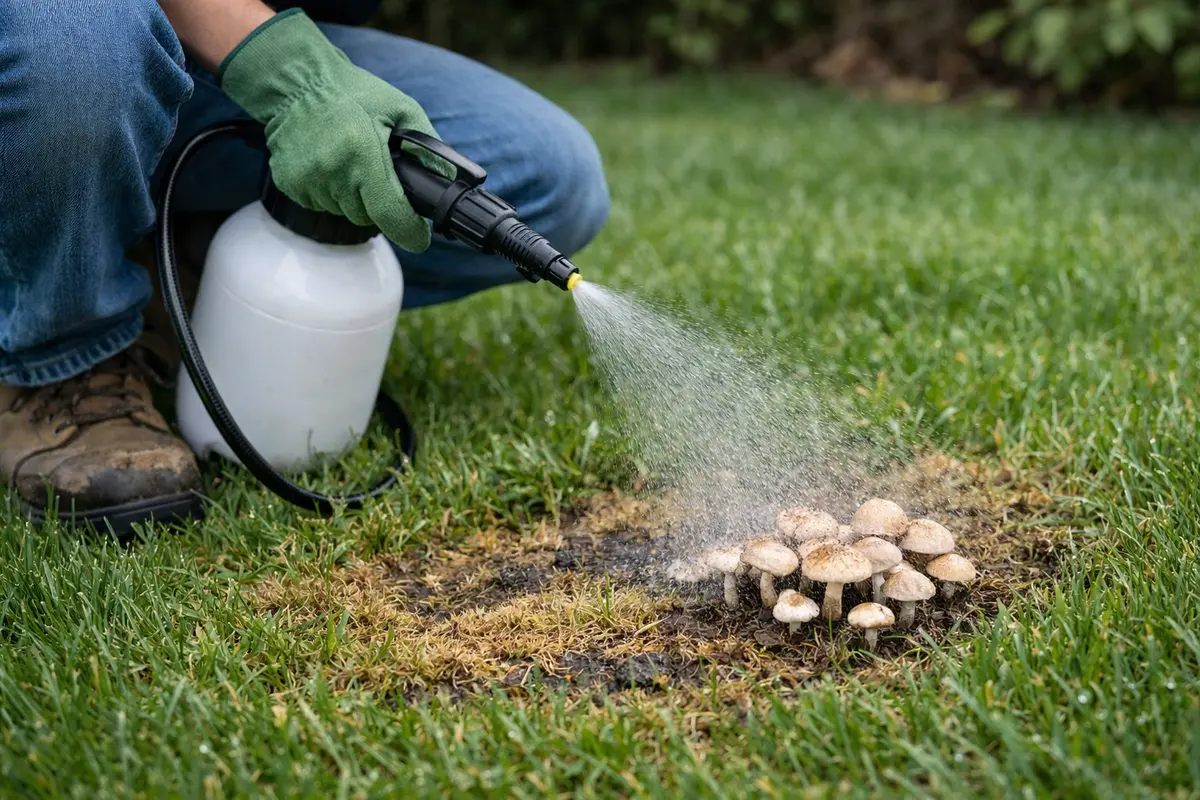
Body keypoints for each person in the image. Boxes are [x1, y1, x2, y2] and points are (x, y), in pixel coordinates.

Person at [0, 0, 611, 534]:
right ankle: (56, 353)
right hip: (62, 39)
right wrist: (293, 76)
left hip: (226, 41)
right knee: (75, 51)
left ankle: (161, 265)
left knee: (550, 178)